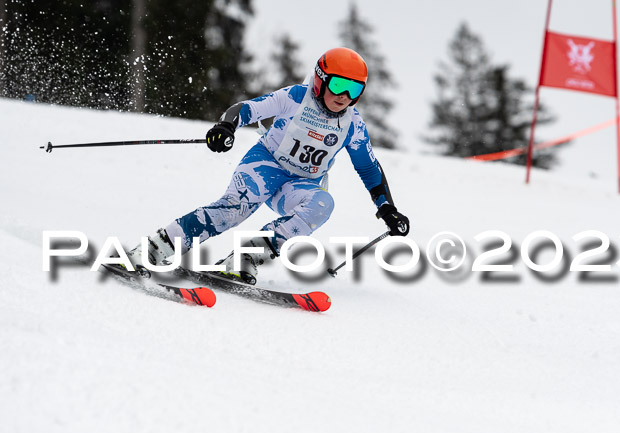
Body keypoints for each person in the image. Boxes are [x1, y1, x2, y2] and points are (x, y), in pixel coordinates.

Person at [123, 47, 410, 284]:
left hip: (300, 185)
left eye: (354, 89)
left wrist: (387, 208)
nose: (344, 96)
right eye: (338, 85)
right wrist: (226, 127)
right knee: (233, 211)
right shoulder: (296, 98)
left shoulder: (353, 125)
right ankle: (154, 248)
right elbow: (246, 109)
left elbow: (369, 168)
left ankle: (246, 256)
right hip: (265, 166)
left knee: (322, 204)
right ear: (321, 80)